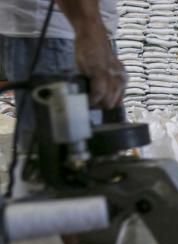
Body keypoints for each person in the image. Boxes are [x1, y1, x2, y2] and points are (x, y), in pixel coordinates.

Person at [0, 0, 126, 151]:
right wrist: (90, 33)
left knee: (97, 160)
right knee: (69, 162)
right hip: (60, 36)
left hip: (71, 33)